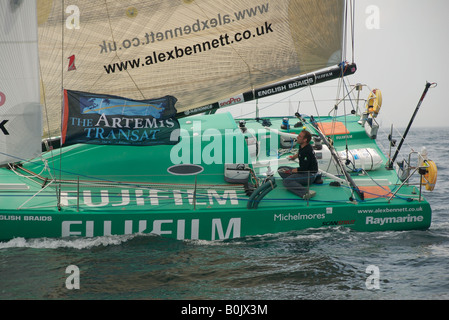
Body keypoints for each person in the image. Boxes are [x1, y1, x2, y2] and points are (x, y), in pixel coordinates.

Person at [281, 130, 318, 199]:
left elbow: (303, 169)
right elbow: (300, 153)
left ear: (305, 140)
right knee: (281, 169)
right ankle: (294, 181)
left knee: (286, 181)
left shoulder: (307, 151)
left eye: (300, 136)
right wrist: (293, 157)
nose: (297, 137)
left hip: (309, 175)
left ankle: (306, 193)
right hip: (303, 171)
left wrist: (291, 171)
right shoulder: (302, 146)